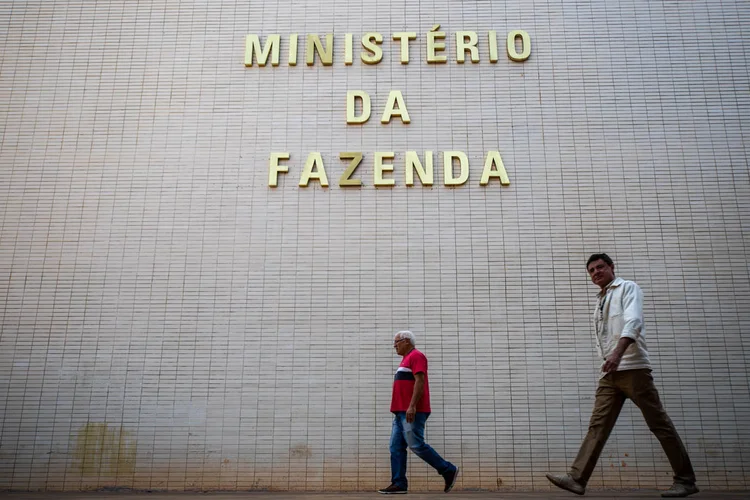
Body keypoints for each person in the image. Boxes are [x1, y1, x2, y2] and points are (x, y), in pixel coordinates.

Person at [546, 254, 698, 498]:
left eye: (600, 267)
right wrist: (609, 361)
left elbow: (634, 321)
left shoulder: (628, 288)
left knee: (658, 423)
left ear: (611, 267)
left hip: (633, 368)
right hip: (610, 373)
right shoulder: (600, 300)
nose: (596, 272)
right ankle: (577, 478)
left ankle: (685, 480)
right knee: (598, 425)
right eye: (592, 270)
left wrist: (617, 354)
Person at [378, 330, 459, 494]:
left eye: (397, 342)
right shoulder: (404, 360)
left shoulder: (416, 356)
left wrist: (412, 406)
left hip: (412, 411)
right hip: (400, 413)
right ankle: (399, 484)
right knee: (395, 447)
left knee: (416, 445)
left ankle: (447, 469)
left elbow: (420, 381)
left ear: (406, 341)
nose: (394, 345)